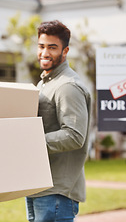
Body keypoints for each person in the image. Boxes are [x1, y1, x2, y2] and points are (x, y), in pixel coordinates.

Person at [26, 20, 91, 222]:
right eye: (41, 46)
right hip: (39, 185)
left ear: (65, 51)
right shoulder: (45, 83)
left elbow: (74, 135)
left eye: (52, 47)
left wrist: (29, 142)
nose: (45, 52)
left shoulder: (67, 86)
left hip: (57, 190)